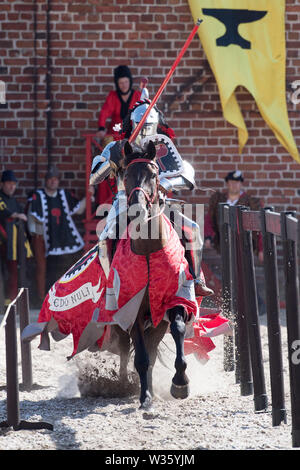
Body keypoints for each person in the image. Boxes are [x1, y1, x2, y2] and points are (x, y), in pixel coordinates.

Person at [90, 85, 214, 298]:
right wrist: (110, 163)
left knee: (192, 229)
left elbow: (186, 173)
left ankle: (194, 280)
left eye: (150, 126)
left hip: (159, 202)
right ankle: (109, 288)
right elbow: (95, 176)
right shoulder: (119, 147)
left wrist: (168, 184)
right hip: (126, 201)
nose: (146, 130)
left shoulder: (162, 148)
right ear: (133, 124)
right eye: (142, 126)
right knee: (104, 237)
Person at [27, 165, 89, 303]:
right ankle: (42, 298)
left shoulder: (64, 195)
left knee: (70, 267)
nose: (53, 182)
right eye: (50, 179)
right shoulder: (38, 196)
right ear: (46, 181)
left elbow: (78, 209)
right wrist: (37, 235)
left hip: (65, 240)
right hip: (44, 240)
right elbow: (33, 219)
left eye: (55, 179)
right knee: (44, 269)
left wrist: (89, 195)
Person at [204, 170, 263, 261]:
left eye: (237, 182)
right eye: (231, 182)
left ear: (241, 184)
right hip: (222, 245)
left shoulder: (251, 203)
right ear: (227, 183)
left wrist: (261, 249)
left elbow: (260, 226)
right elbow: (209, 219)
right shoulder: (219, 200)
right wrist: (208, 236)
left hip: (245, 246)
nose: (234, 185)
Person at [0, 169, 32, 303]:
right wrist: (17, 216)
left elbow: (23, 216)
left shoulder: (14, 201)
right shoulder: (1, 198)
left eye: (14, 183)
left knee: (14, 271)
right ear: (2, 184)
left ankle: (11, 301)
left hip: (13, 243)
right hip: (3, 242)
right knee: (6, 271)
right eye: (9, 183)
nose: (12, 186)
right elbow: (4, 211)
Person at [96, 65, 142, 141]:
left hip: (134, 136)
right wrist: (101, 128)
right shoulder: (113, 96)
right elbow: (104, 113)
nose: (124, 85)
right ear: (117, 84)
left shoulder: (138, 96)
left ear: (130, 81)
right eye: (121, 83)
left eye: (126, 82)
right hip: (115, 136)